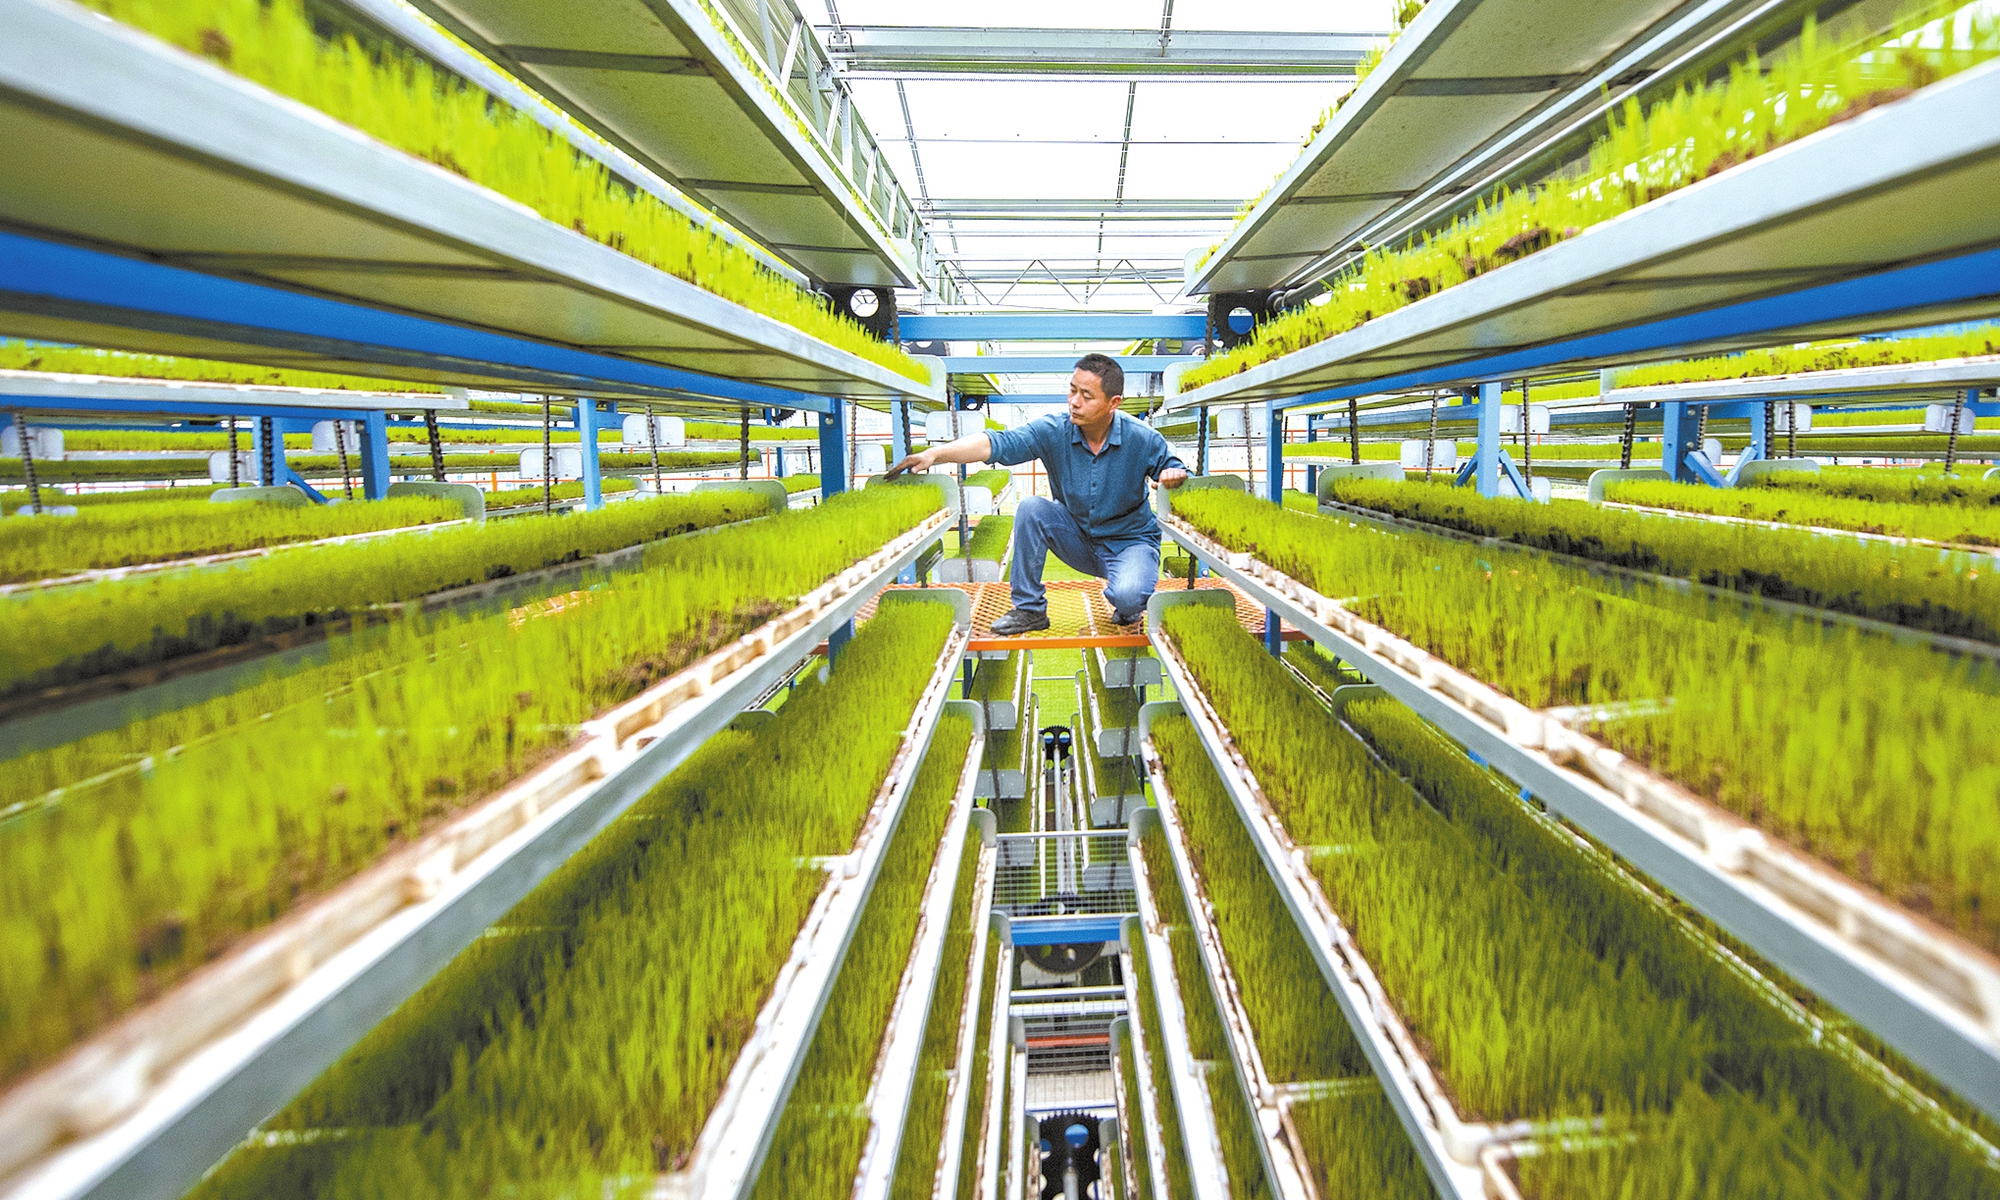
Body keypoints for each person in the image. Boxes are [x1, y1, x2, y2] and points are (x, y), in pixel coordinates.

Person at [888, 353, 1189, 634]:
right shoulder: (1053, 429)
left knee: (1128, 597)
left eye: (1087, 396)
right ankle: (1030, 609)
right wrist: (935, 454)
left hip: (1129, 542)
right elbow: (996, 443)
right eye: (1072, 391)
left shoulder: (1142, 438)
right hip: (1078, 538)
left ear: (1113, 403)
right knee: (1032, 508)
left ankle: (1127, 604)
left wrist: (1171, 474)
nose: (1074, 402)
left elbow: (1171, 465)